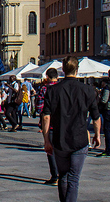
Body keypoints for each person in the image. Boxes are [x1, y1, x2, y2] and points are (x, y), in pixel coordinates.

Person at [42, 56, 101, 202]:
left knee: (63, 176)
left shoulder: (52, 90)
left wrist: (46, 140)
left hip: (59, 139)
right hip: (79, 139)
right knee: (74, 179)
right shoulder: (88, 90)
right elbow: (96, 117)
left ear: (62, 69)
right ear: (77, 70)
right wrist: (97, 135)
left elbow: (45, 117)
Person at [37, 68, 59, 185]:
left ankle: (55, 176)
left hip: (49, 124)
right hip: (62, 123)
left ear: (47, 77)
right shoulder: (62, 88)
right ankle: (62, 174)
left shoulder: (44, 89)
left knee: (50, 150)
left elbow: (40, 108)